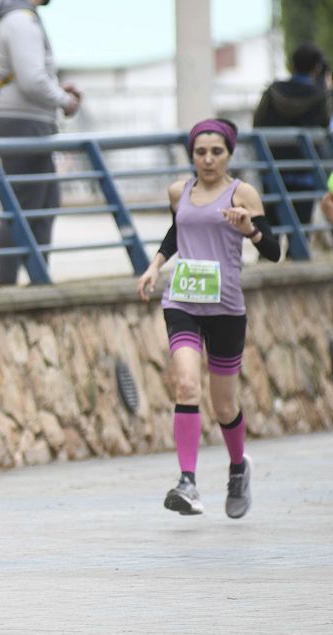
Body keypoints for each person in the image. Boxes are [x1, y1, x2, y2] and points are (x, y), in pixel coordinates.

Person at [136, 119, 280, 519]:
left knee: (224, 405)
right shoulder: (179, 192)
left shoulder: (242, 193)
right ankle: (188, 482)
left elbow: (274, 251)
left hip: (226, 307)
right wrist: (155, 266)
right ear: (192, 155)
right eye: (200, 152)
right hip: (182, 300)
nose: (208, 159)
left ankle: (238, 468)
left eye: (216, 152)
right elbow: (177, 231)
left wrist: (249, 230)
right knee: (185, 384)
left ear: (229, 154)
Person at [0, 0, 80, 285]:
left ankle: (36, 279)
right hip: (22, 122)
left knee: (44, 202)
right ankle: (9, 286)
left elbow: (30, 77)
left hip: (24, 120)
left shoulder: (17, 19)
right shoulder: (21, 21)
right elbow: (31, 80)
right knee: (23, 205)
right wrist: (65, 100)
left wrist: (56, 90)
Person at [252, 43, 332, 229]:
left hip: (272, 167)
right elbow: (326, 127)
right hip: (305, 170)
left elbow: (258, 122)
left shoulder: (273, 91)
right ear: (317, 68)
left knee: (271, 226)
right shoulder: (321, 97)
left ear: (292, 65)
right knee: (302, 228)